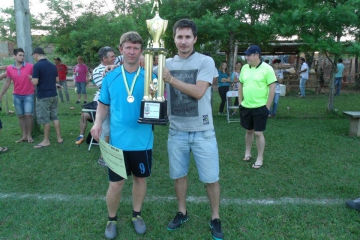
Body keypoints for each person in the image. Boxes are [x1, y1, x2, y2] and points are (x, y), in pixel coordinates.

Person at [159, 19, 224, 240]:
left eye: (188, 37)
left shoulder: (206, 61)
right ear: (174, 39)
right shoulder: (165, 62)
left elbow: (198, 92)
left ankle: (215, 217)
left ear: (195, 39)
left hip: (203, 132)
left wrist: (171, 79)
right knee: (179, 176)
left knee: (211, 179)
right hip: (176, 131)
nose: (184, 41)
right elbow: (142, 70)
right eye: (180, 37)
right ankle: (182, 211)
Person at [90, 32, 154, 239]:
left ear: (141, 51)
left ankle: (137, 215)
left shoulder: (151, 77)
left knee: (140, 180)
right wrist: (98, 123)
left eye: (136, 48)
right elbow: (103, 104)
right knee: (116, 184)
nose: (132, 51)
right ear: (121, 49)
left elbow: (159, 103)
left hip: (143, 141)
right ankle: (112, 219)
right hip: (117, 142)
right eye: (128, 47)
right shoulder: (111, 77)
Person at [76, 46, 115, 167]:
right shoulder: (98, 71)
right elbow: (106, 88)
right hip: (105, 104)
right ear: (104, 58)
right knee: (106, 128)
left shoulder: (115, 66)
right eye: (112, 56)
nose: (115, 58)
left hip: (117, 104)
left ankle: (115, 152)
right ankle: (104, 156)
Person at [238, 45, 276, 168]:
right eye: (246, 55)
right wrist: (240, 102)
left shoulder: (267, 69)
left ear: (256, 55)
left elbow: (272, 88)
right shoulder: (244, 68)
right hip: (246, 106)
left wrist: (267, 106)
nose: (246, 57)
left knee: (258, 133)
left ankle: (260, 158)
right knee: (249, 131)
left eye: (249, 55)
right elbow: (240, 84)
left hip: (260, 107)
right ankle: (247, 152)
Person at [31, 47, 63, 148]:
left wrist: (31, 79)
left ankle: (46, 141)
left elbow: (35, 82)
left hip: (43, 96)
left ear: (36, 54)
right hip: (54, 95)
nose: (34, 58)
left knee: (45, 119)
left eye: (33, 56)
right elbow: (57, 80)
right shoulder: (52, 65)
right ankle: (59, 138)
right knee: (54, 116)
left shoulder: (37, 66)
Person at [0, 48, 34, 143]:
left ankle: (29, 136)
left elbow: (37, 78)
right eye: (20, 55)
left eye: (23, 55)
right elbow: (7, 82)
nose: (22, 57)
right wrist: (1, 94)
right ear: (14, 56)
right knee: (21, 116)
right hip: (17, 96)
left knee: (28, 115)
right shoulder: (10, 68)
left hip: (29, 95)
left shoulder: (30, 66)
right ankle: (24, 136)